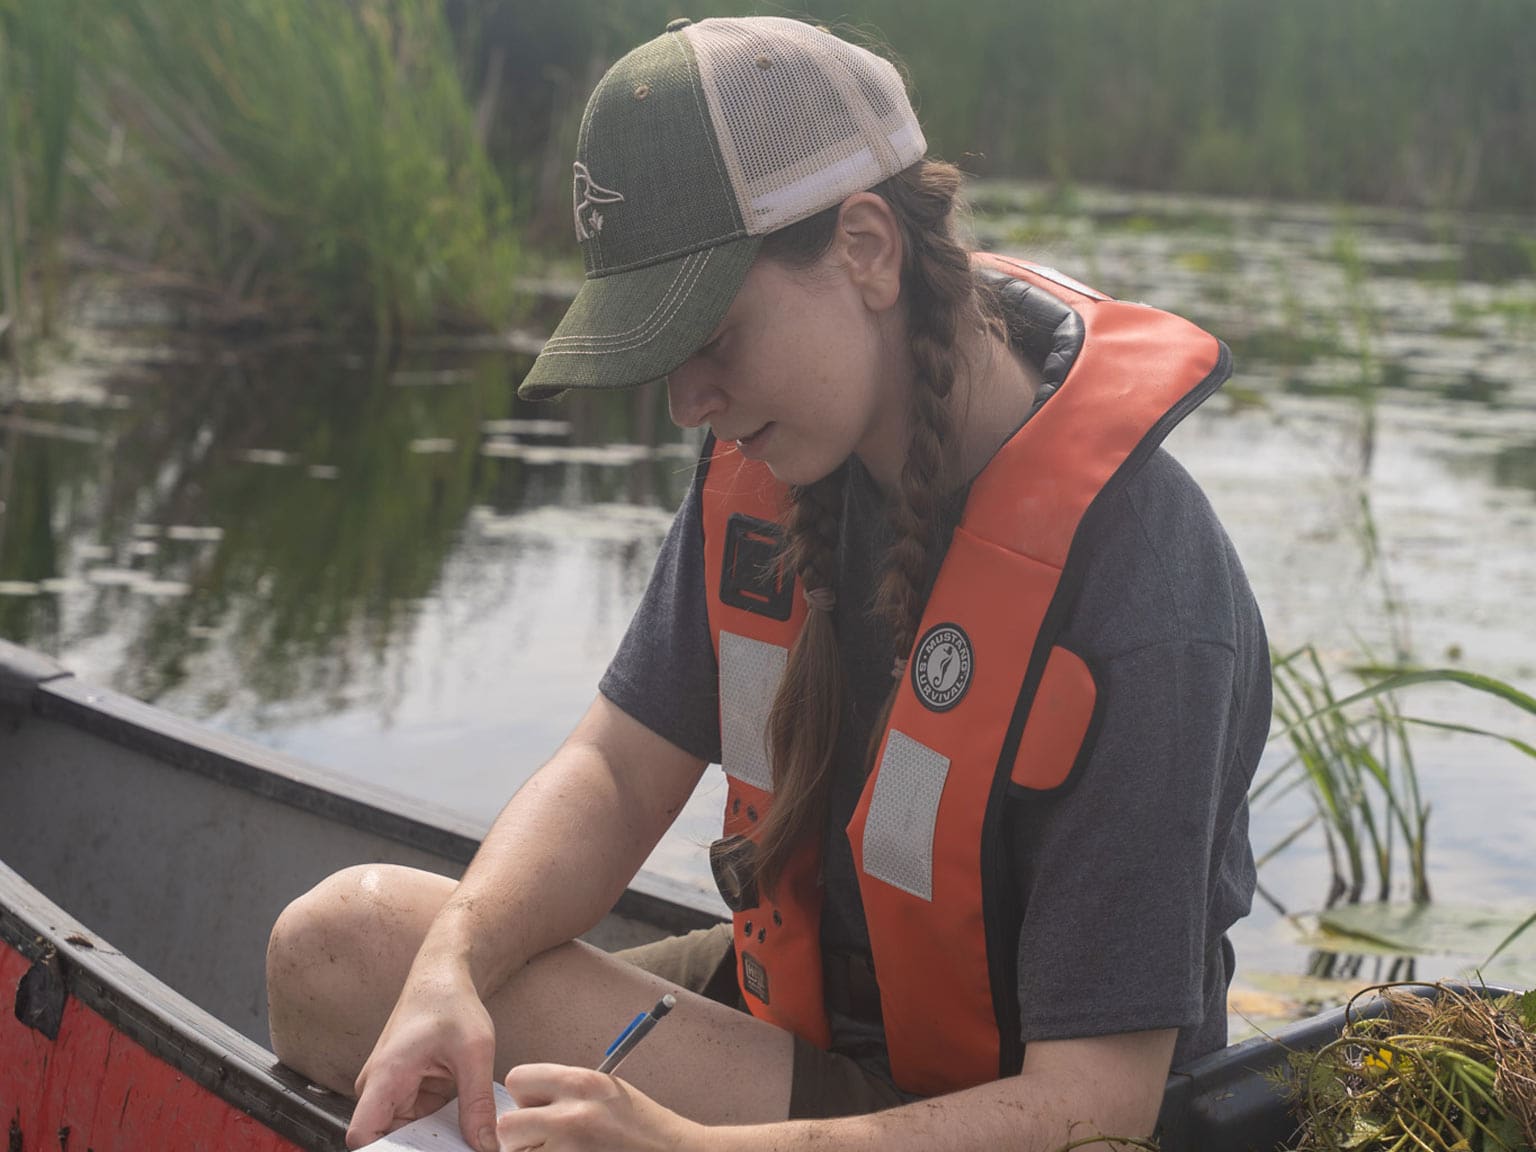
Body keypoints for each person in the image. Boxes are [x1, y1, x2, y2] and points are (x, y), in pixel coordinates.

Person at [265, 15, 1270, 1152]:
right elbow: (614, 765)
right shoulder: (776, 453)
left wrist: (685, 1148)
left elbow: (1100, 1111)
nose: (689, 399)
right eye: (662, 352)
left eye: (713, 335)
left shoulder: (1146, 589)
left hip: (998, 1120)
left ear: (867, 249)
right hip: (800, 1033)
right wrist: (455, 962)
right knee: (339, 952)